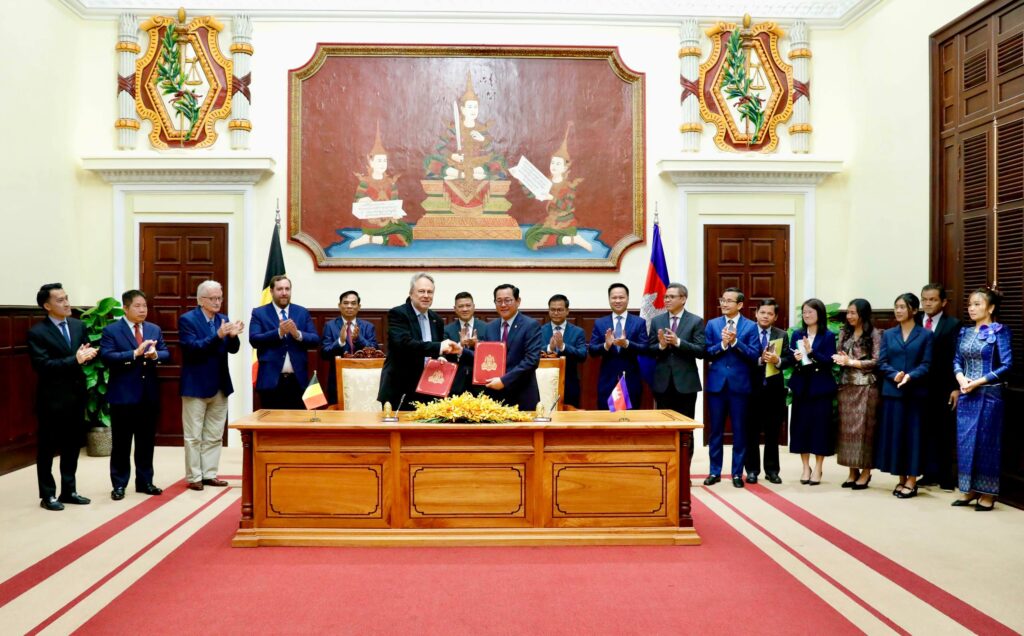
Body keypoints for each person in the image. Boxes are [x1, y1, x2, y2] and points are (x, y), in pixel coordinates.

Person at [27, 283, 98, 510]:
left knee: (71, 446)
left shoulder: (78, 325)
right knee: (47, 448)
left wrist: (90, 355)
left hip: (76, 396)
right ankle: (47, 495)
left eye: (67, 298)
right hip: (51, 399)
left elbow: (85, 355)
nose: (67, 303)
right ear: (47, 306)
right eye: (60, 300)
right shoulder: (37, 332)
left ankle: (69, 490)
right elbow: (43, 366)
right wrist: (75, 360)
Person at [101, 290, 169, 500]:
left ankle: (145, 481)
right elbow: (107, 356)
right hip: (123, 396)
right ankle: (119, 484)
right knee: (121, 443)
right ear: (125, 308)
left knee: (146, 442)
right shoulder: (112, 330)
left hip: (148, 395)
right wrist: (134, 354)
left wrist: (155, 355)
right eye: (137, 306)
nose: (142, 310)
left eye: (144, 306)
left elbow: (166, 353)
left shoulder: (153, 329)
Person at [179, 281, 243, 491]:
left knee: (215, 435)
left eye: (219, 298)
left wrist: (232, 336)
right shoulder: (187, 320)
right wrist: (218, 336)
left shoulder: (223, 319)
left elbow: (233, 349)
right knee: (193, 436)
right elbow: (192, 349)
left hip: (220, 385)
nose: (217, 302)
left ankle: (209, 474)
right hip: (196, 385)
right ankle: (194, 476)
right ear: (201, 300)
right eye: (213, 298)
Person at [952, 288, 1012, 511]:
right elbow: (956, 359)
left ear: (991, 308)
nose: (972, 308)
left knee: (987, 443)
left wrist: (977, 382)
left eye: (977, 304)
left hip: (989, 395)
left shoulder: (1001, 331)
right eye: (970, 304)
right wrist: (961, 377)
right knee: (966, 442)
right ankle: (969, 489)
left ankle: (987, 493)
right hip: (967, 394)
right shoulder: (964, 332)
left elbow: (1006, 365)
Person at [875, 292, 933, 499]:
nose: (898, 311)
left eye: (902, 307)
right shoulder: (889, 334)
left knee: (913, 437)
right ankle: (901, 478)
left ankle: (912, 480)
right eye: (896, 306)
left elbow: (926, 364)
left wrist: (910, 376)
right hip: (893, 392)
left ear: (914, 310)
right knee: (896, 436)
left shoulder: (925, 335)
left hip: (915, 393)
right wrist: (895, 374)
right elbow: (882, 362)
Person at [703, 287, 760, 488]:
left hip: (740, 387)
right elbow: (706, 352)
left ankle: (737, 473)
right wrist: (722, 344)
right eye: (723, 300)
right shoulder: (712, 324)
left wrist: (735, 342)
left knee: (739, 431)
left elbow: (754, 355)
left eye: (729, 301)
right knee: (715, 431)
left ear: (740, 305)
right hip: (717, 386)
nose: (724, 304)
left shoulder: (750, 327)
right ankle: (714, 471)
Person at [377, 273, 461, 409]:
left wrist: (441, 357)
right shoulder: (398, 314)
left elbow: (437, 348)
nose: (426, 295)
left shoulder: (436, 320)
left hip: (430, 388)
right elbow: (403, 344)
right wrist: (439, 348)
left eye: (430, 292)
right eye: (421, 291)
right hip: (400, 389)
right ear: (411, 293)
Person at [517, 123, 593, 252]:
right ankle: (567, 239)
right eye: (552, 163)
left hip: (564, 223)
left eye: (558, 164)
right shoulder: (547, 182)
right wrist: (523, 181)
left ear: (565, 168)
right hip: (551, 221)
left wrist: (551, 197)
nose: (554, 166)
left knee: (532, 240)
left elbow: (566, 206)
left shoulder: (569, 186)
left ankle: (573, 239)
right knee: (529, 234)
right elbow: (531, 194)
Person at [788, 298, 838, 487]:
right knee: (801, 426)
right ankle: (805, 467)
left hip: (820, 387)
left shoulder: (828, 335)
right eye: (804, 312)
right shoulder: (797, 334)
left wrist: (811, 352)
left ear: (819, 314)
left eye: (810, 312)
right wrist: (795, 357)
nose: (806, 315)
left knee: (820, 428)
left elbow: (829, 361)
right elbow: (791, 357)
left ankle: (818, 467)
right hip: (802, 387)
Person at [249, 276, 319, 409]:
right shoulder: (259, 313)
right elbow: (254, 339)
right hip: (271, 382)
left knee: (297, 421)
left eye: (287, 289)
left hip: (297, 382)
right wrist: (279, 333)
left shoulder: (302, 312)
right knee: (271, 421)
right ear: (271, 291)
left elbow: (315, 339)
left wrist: (297, 334)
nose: (284, 293)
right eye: (280, 289)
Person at [744, 298, 794, 484]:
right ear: (756, 314)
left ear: (775, 317)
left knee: (773, 432)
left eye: (770, 314)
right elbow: (742, 357)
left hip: (774, 390)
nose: (765, 316)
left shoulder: (782, 334)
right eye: (762, 312)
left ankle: (772, 470)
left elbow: (789, 359)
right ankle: (752, 470)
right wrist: (759, 360)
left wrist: (777, 360)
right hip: (751, 389)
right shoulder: (747, 332)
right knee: (752, 431)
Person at [917, 283, 962, 490]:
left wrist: (955, 387)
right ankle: (928, 473)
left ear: (943, 302)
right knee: (923, 430)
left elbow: (957, 357)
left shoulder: (953, 324)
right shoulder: (915, 321)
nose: (927, 303)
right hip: (918, 385)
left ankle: (946, 476)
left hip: (943, 386)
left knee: (943, 431)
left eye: (933, 299)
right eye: (924, 299)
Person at [833, 299, 881, 490]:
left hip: (866, 386)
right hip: (846, 385)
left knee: (865, 431)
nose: (849, 316)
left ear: (863, 314)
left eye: (853, 313)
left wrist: (852, 362)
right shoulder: (844, 332)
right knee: (847, 431)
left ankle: (866, 472)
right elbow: (840, 354)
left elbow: (877, 361)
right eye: (848, 312)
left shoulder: (875, 334)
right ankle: (852, 471)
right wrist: (840, 359)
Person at [475, 284, 542, 411]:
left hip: (522, 396)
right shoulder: (490, 327)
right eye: (499, 301)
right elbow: (484, 358)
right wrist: (462, 351)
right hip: (495, 397)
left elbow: (531, 360)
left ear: (518, 301)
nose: (503, 305)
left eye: (508, 300)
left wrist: (504, 381)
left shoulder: (530, 325)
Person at [349, 124, 413, 248]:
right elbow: (357, 201)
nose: (382, 164)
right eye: (379, 161)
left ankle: (371, 239)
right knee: (401, 236)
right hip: (371, 223)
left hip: (388, 222)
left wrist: (396, 213)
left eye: (384, 161)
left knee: (407, 233)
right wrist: (364, 201)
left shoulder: (391, 183)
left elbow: (394, 204)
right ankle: (371, 236)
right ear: (371, 162)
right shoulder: (365, 183)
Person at [647, 283, 704, 419]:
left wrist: (678, 342)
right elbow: (649, 350)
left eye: (671, 297)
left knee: (685, 425)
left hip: (686, 383)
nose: (667, 300)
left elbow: (701, 351)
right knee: (664, 424)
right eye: (665, 297)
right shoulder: (656, 321)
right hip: (662, 384)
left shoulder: (695, 321)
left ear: (683, 299)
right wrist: (661, 346)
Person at [589, 283, 649, 410]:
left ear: (627, 298)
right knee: (607, 417)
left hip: (631, 379)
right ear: (609, 299)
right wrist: (606, 345)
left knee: (630, 418)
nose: (617, 301)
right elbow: (592, 350)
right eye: (614, 298)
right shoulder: (600, 323)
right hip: (607, 380)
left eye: (621, 297)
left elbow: (645, 348)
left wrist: (627, 343)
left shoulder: (639, 322)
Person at [321, 290, 379, 405]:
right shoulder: (330, 326)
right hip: (338, 379)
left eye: (353, 303)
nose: (349, 306)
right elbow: (324, 353)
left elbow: (375, 350)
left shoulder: (368, 326)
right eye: (346, 303)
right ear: (339, 306)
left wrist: (359, 339)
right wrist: (340, 342)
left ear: (359, 307)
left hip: (364, 380)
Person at [540, 294, 588, 408]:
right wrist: (549, 348)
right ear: (548, 311)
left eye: (560, 310)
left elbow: (582, 355)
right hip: (544, 385)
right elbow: (533, 353)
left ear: (567, 311)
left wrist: (563, 347)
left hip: (569, 384)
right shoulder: (539, 330)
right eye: (553, 310)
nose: (556, 313)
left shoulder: (578, 332)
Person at [444, 291, 484, 396]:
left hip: (480, 385)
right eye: (461, 306)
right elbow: (444, 356)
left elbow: (490, 354)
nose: (465, 309)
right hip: (455, 384)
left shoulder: (486, 328)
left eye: (468, 305)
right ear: (455, 309)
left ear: (474, 307)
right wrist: (459, 345)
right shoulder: (447, 330)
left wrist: (478, 345)